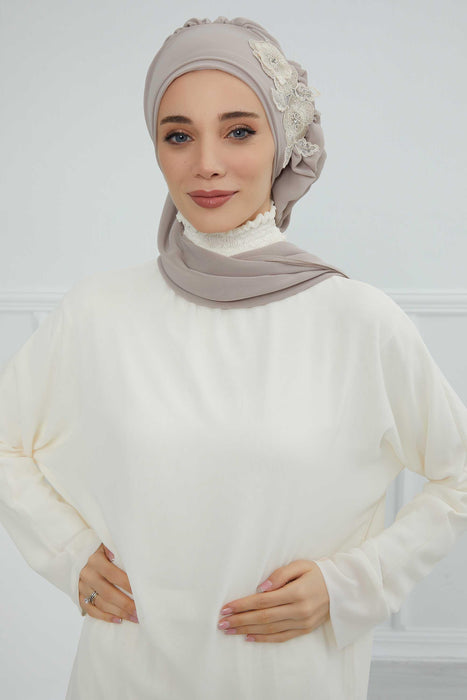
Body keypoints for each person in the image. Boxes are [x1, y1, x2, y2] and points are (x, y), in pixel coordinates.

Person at [0, 15, 466, 700]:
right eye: (178, 135)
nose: (207, 163)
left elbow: (457, 475)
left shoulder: (357, 321)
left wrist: (349, 585)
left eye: (239, 131)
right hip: (123, 676)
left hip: (287, 678)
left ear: (284, 142)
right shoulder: (97, 312)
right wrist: (68, 555)